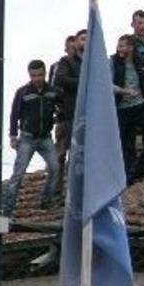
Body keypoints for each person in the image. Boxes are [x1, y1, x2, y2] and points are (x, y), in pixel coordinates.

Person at [3, 60, 61, 215]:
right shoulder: (23, 92)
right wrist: (13, 136)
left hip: (45, 137)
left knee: (55, 168)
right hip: (27, 137)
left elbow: (61, 107)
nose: (37, 78)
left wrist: (56, 117)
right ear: (30, 75)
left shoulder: (52, 91)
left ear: (44, 74)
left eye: (40, 75)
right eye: (34, 75)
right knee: (18, 174)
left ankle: (46, 201)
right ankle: (7, 209)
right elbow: (14, 114)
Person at [111, 34, 144, 184]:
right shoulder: (112, 62)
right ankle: (128, 176)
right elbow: (108, 83)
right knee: (127, 144)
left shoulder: (143, 61)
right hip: (122, 108)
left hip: (141, 105)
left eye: (122, 45)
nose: (119, 49)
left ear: (131, 47)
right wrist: (124, 91)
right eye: (118, 45)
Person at [52, 28, 87, 194]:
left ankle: (75, 189)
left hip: (86, 115)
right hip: (67, 115)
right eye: (81, 39)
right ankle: (56, 189)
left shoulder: (95, 63)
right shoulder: (66, 62)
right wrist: (83, 81)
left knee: (79, 155)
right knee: (60, 155)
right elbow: (59, 80)